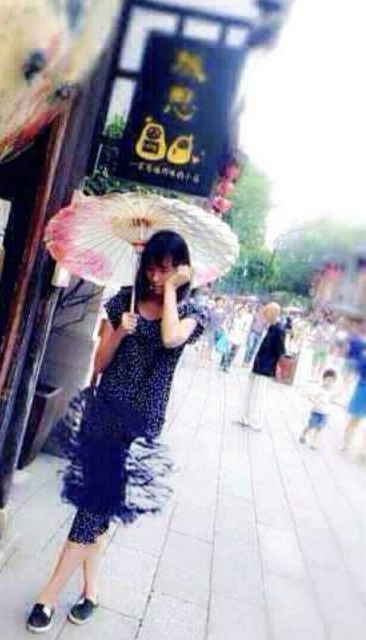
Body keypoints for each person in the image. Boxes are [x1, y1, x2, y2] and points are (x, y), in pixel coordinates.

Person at [26, 231, 204, 633]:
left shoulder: (192, 312)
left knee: (95, 507)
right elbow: (100, 362)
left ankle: (48, 596)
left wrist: (172, 291)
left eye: (166, 270)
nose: (155, 277)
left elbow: (170, 338)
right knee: (97, 507)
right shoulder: (124, 299)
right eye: (152, 268)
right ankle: (90, 593)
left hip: (139, 426)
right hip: (105, 414)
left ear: (180, 270)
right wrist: (120, 330)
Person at [238, 302, 285, 431]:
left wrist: (276, 366)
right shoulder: (271, 327)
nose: (264, 316)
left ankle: (256, 421)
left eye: (266, 313)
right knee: (251, 393)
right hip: (259, 364)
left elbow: (280, 350)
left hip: (266, 367)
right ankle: (246, 417)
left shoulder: (278, 329)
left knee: (259, 396)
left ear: (272, 314)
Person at [299, 369, 338, 449]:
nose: (329, 382)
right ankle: (303, 434)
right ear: (324, 379)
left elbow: (332, 399)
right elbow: (310, 396)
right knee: (311, 425)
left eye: (332, 381)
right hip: (316, 411)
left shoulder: (332, 391)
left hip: (325, 413)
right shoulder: (319, 389)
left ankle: (314, 442)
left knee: (320, 428)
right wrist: (315, 401)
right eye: (328, 380)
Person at [341, 334, 366, 455]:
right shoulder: (363, 356)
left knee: (355, 420)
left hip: (362, 388)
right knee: (354, 420)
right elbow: (359, 369)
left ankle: (361, 450)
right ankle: (346, 444)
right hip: (362, 389)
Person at [220, 305, 252, 372]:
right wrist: (226, 331)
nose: (242, 312)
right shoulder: (233, 318)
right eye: (241, 310)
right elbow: (226, 324)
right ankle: (223, 363)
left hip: (238, 338)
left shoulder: (245, 320)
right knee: (227, 351)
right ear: (238, 311)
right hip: (230, 336)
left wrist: (243, 339)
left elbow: (245, 330)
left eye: (243, 311)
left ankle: (228, 365)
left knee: (233, 353)